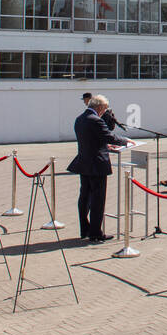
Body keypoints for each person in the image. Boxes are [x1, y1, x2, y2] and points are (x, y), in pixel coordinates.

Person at [68, 95, 123, 241]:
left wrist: (105, 144)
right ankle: (95, 232)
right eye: (104, 109)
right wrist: (126, 141)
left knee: (84, 197)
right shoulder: (96, 120)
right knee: (98, 199)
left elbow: (92, 138)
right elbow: (109, 136)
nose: (104, 112)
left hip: (84, 162)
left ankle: (84, 229)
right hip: (96, 164)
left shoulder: (80, 118)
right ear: (99, 107)